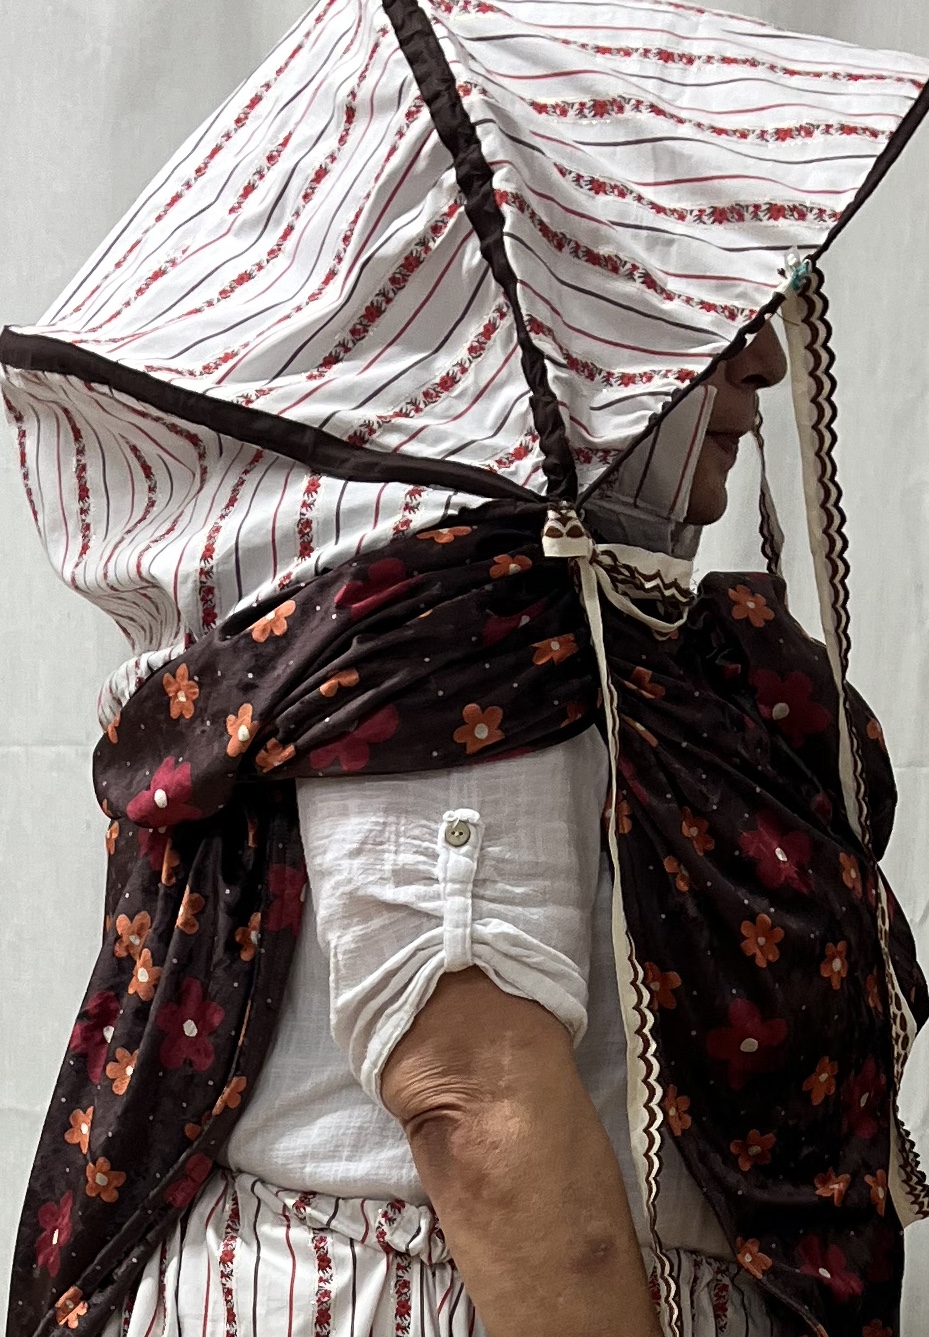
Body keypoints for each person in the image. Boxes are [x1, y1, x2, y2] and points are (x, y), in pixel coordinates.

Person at [3, 4, 929, 1337]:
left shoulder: (510, 633)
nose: (765, 362)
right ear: (556, 331)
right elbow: (479, 1108)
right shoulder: (462, 648)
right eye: (704, 317)